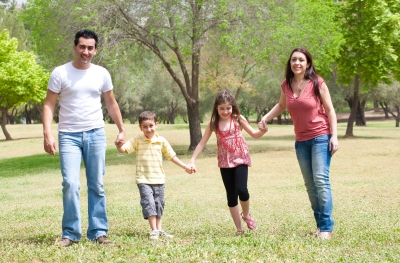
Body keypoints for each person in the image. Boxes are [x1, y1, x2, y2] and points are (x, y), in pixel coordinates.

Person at [42, 29, 125, 247]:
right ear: (74, 47)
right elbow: (49, 104)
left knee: (96, 184)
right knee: (70, 183)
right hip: (68, 135)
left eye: (90, 48)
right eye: (82, 47)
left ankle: (98, 231)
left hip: (96, 133)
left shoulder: (102, 73)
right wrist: (47, 133)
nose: (85, 51)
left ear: (95, 50)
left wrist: (121, 129)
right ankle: (70, 233)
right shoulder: (60, 73)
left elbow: (111, 103)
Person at [258, 48, 338, 240]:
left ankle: (326, 227)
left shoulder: (318, 83)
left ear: (308, 63)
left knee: (320, 180)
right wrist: (266, 118)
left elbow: (330, 110)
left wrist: (334, 137)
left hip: (320, 136)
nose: (297, 63)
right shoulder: (286, 84)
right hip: (301, 141)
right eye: (294, 60)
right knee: (310, 185)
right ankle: (320, 227)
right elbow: (282, 105)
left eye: (301, 60)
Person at [187, 90, 267, 234]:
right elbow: (201, 143)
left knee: (242, 189)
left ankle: (247, 215)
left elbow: (254, 134)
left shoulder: (238, 119)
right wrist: (192, 160)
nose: (225, 111)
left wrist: (263, 131)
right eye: (222, 108)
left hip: (241, 158)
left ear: (233, 107)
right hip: (225, 162)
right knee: (231, 195)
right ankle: (239, 228)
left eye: (228, 108)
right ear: (216, 108)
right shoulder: (213, 124)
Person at [116, 111, 191, 240]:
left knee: (159, 204)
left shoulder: (161, 141)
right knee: (148, 203)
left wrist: (185, 166)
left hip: (159, 179)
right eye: (145, 126)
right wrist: (119, 145)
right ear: (140, 127)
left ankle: (159, 229)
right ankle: (154, 230)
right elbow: (125, 150)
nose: (148, 129)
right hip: (143, 179)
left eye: (151, 125)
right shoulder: (137, 140)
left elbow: (171, 156)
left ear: (156, 124)